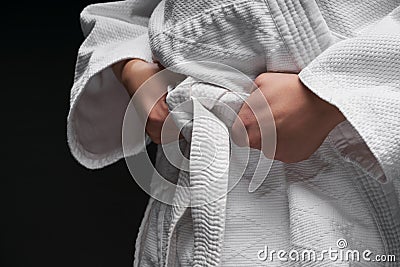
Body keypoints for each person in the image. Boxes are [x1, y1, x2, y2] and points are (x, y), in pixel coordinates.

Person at [68, 0, 400, 266]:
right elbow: (124, 12)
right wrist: (133, 68)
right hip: (199, 168)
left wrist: (328, 96)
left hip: (345, 157)